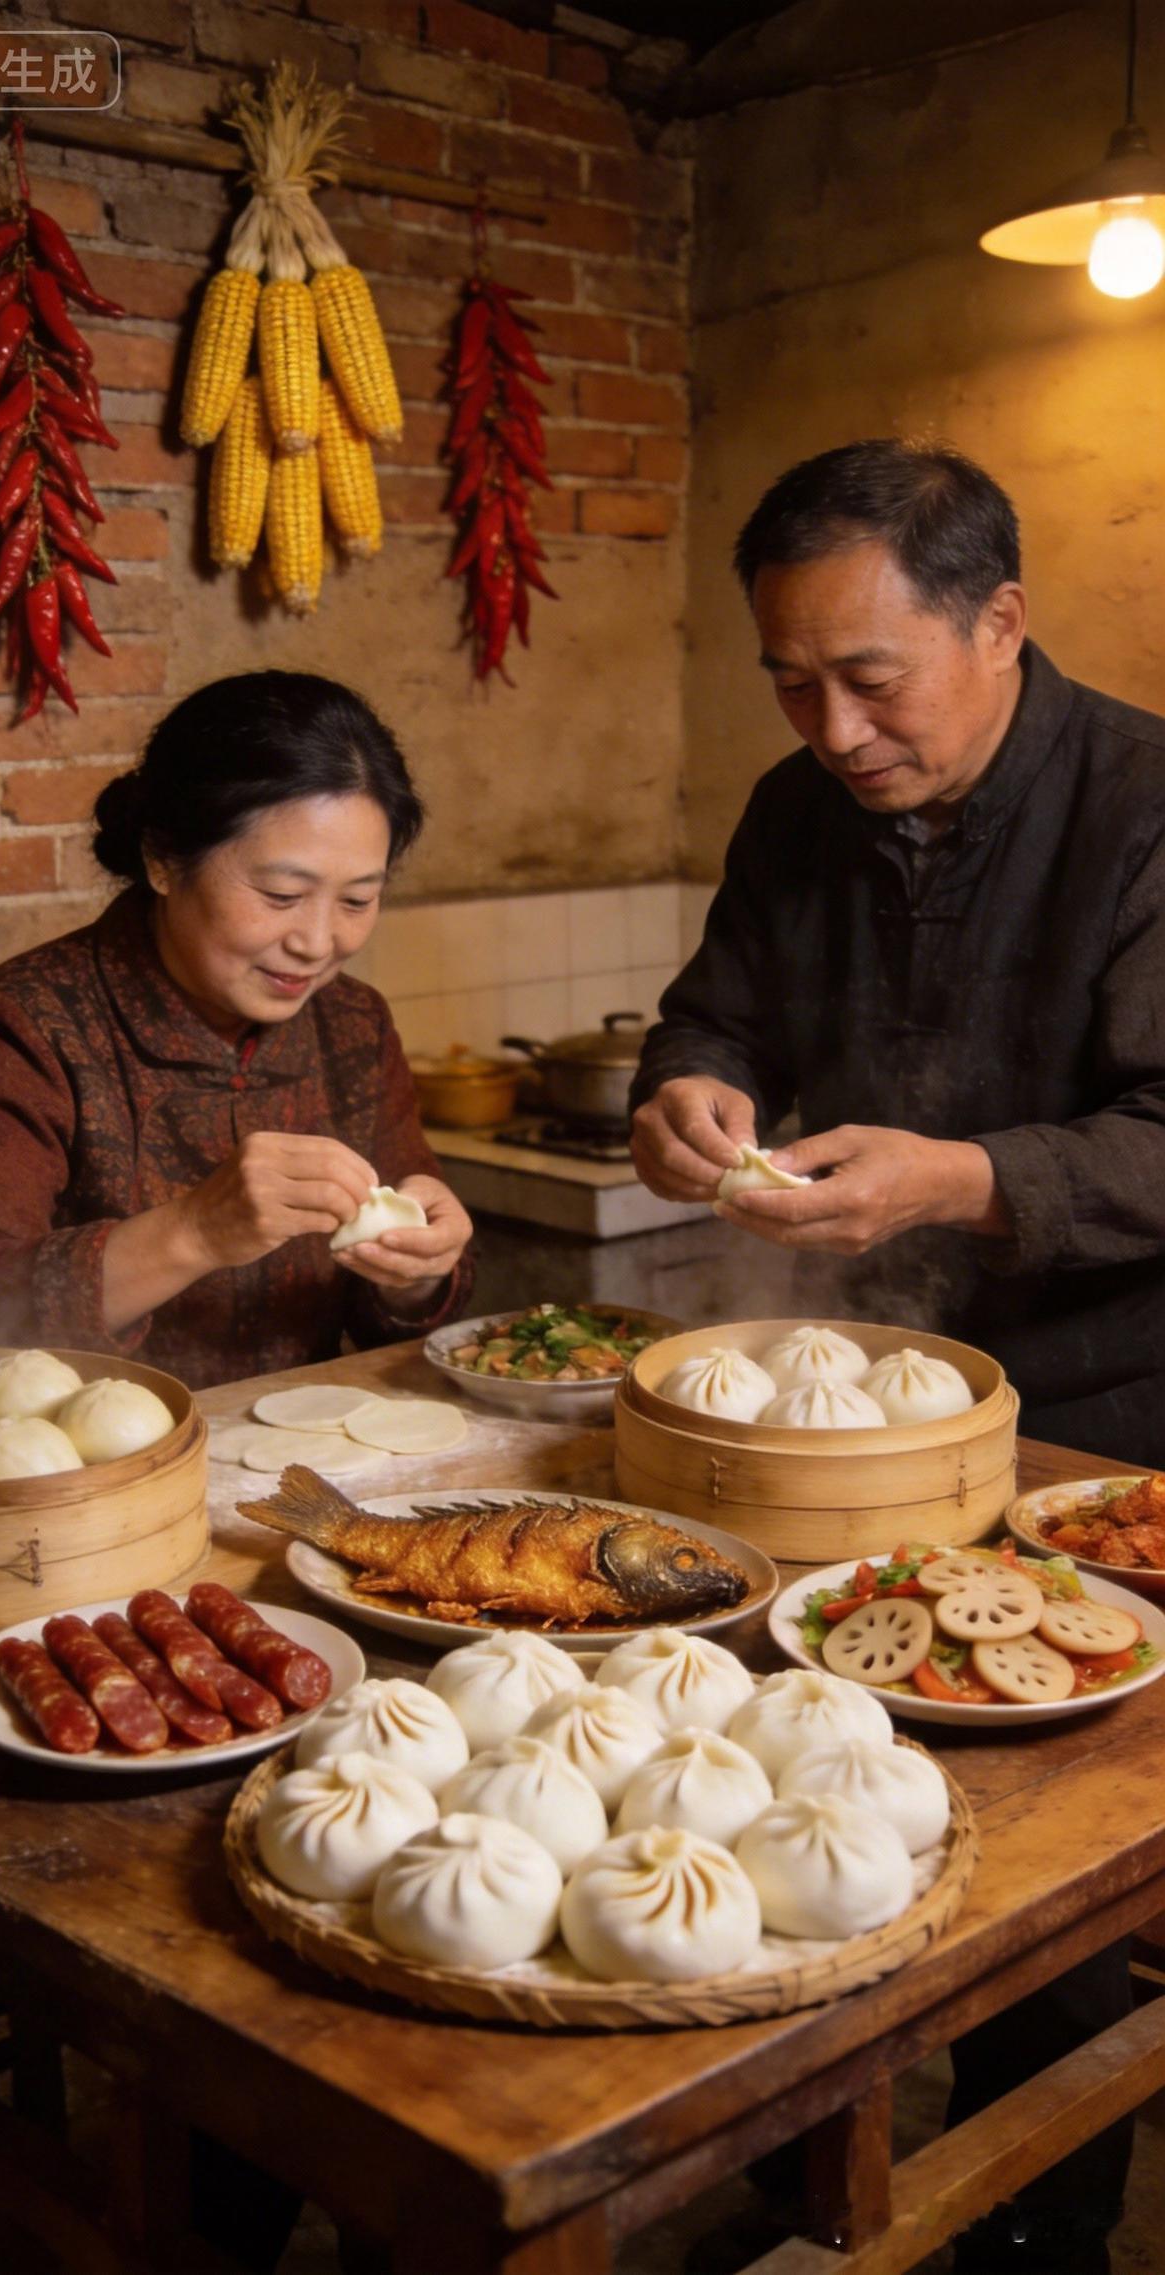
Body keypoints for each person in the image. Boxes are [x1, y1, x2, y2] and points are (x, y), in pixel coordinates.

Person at [631, 439, 1165, 2275]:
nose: (833, 730)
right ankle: (806, 2179)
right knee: (801, 1787)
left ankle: (1035, 2223)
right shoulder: (797, 811)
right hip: (845, 1409)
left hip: (1100, 1424)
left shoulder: (1146, 805)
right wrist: (688, 1089)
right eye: (791, 681)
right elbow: (715, 1013)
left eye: (871, 678)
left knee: (1048, 1850)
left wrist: (966, 1178)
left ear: (1000, 622)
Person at [0, 671, 474, 1387]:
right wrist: (194, 1231)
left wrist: (416, 1271)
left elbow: (406, 1310)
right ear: (164, 859)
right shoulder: (23, 1026)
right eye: (281, 894)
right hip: (91, 1449)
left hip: (300, 1439)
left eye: (357, 900)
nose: (318, 943)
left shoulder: (353, 1023)